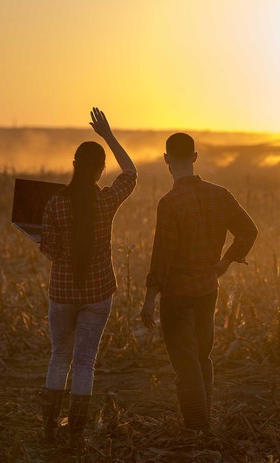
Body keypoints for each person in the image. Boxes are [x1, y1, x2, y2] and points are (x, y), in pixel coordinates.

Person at [141, 132, 258, 433]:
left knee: (184, 363)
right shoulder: (220, 194)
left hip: (177, 295)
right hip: (208, 289)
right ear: (195, 157)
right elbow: (248, 231)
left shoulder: (169, 203)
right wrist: (226, 262)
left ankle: (197, 425)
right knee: (201, 357)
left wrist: (150, 298)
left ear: (166, 159)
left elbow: (162, 255)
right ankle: (204, 422)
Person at [39, 108, 137, 448]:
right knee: (84, 363)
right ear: (99, 170)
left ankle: (50, 429)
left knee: (59, 357)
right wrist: (108, 136)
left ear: (74, 165)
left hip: (62, 294)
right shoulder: (107, 201)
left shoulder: (54, 204)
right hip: (98, 294)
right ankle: (75, 436)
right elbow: (132, 172)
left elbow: (48, 249)